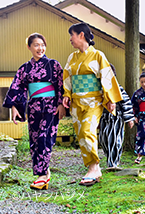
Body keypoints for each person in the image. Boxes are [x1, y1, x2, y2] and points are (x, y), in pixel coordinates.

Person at [62, 22, 122, 186]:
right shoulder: (72, 57)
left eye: (72, 35)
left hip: (93, 101)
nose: (70, 39)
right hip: (76, 102)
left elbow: (107, 77)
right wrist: (66, 94)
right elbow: (67, 77)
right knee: (81, 134)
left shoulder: (98, 56)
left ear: (81, 35)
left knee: (88, 130)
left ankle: (94, 167)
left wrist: (110, 99)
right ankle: (92, 167)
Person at [3, 33, 65, 190]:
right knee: (35, 140)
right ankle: (43, 174)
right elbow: (17, 87)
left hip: (51, 107)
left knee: (45, 137)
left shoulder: (54, 64)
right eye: (36, 45)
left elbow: (61, 85)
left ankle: (43, 175)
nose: (40, 48)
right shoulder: (24, 68)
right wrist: (15, 107)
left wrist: (61, 104)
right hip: (33, 108)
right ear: (29, 47)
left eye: (42, 44)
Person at [99, 64, 135, 171]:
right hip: (103, 117)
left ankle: (113, 163)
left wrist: (129, 118)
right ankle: (110, 159)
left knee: (114, 139)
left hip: (116, 117)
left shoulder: (117, 87)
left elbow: (126, 102)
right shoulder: (99, 89)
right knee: (103, 139)